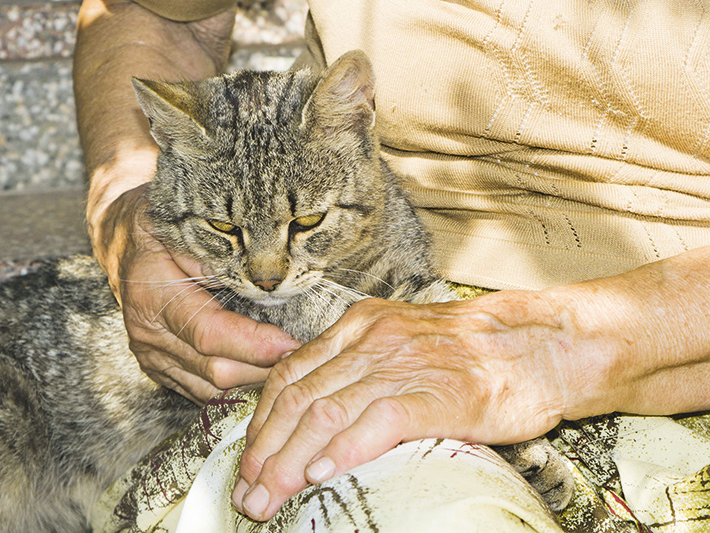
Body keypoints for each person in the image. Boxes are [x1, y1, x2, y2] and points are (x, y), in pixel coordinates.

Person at [74, 0, 710, 524]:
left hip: (668, 335)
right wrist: (133, 211)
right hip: (374, 299)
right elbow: (156, 12)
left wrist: (544, 348)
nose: (265, 272)